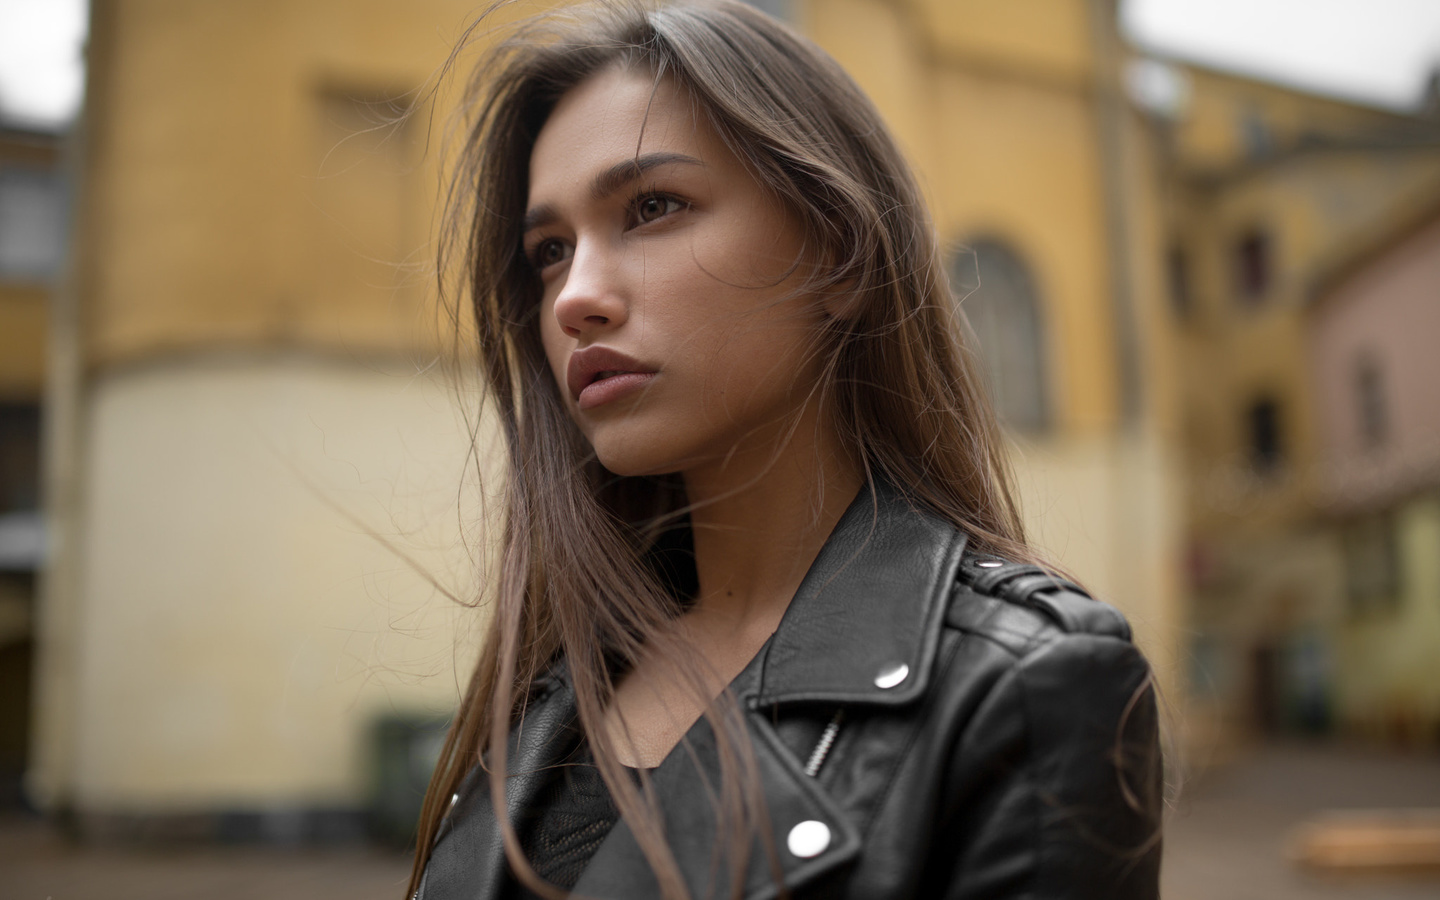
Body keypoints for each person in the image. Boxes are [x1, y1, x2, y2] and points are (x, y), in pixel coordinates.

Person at [410, 1, 1163, 898]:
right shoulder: (553, 676)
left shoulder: (1025, 689)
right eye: (547, 251)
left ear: (839, 254)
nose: (574, 296)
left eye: (652, 207)